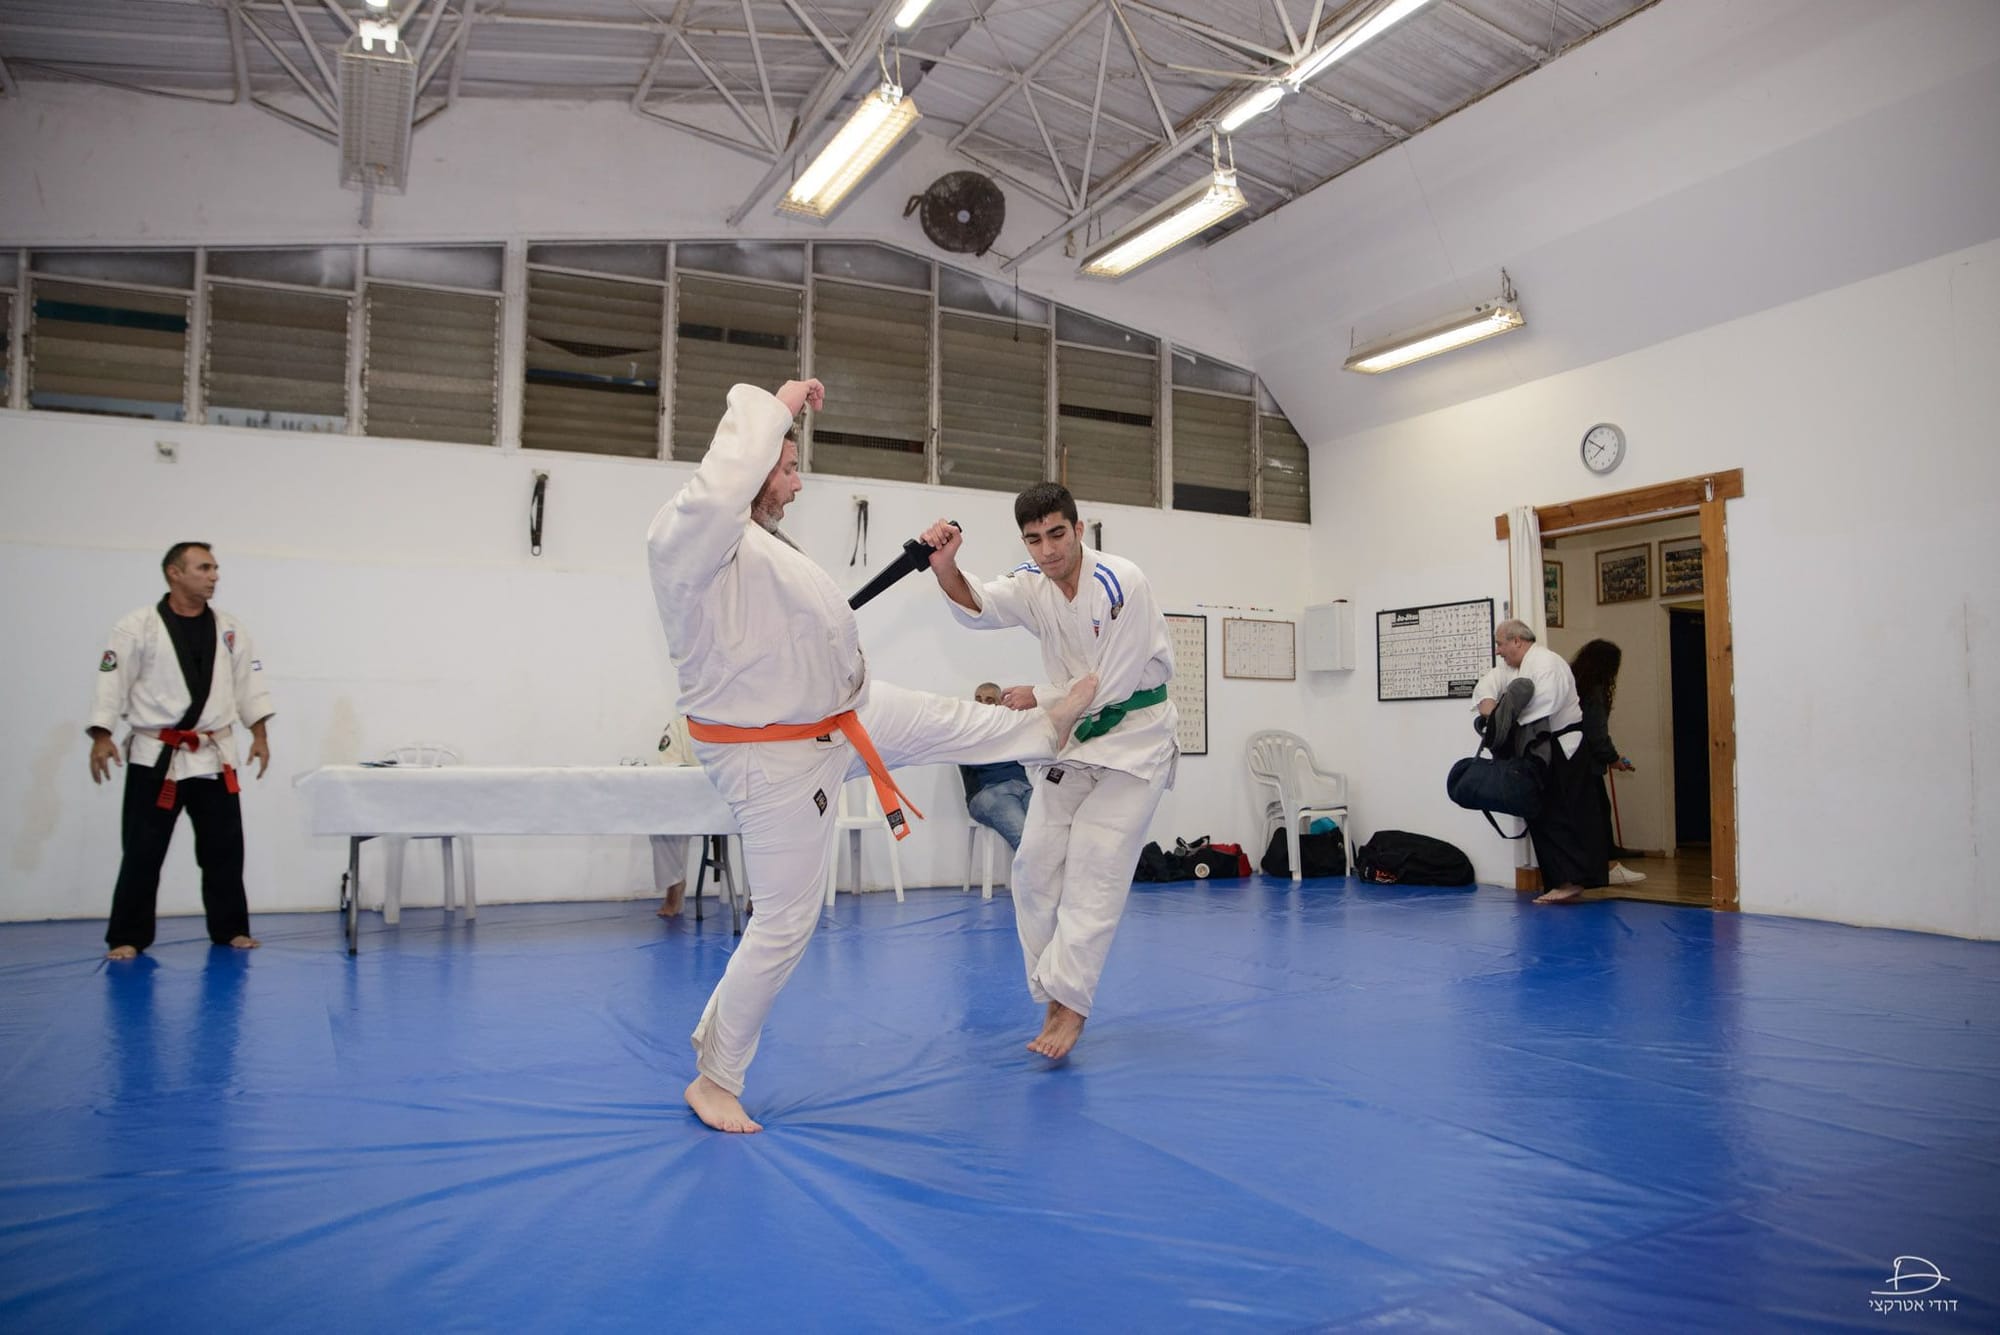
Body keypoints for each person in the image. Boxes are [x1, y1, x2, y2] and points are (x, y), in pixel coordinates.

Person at [646, 378, 1096, 1134]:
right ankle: (714, 1077)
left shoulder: (754, 543)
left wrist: (920, 557)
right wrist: (782, 400)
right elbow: (722, 482)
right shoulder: (686, 537)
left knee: (946, 719)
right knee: (784, 923)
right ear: (752, 462)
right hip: (775, 762)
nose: (797, 484)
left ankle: (1046, 726)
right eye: (789, 468)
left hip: (840, 716)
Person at [920, 483, 1177, 1062]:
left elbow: (1107, 687)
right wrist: (945, 566)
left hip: (1134, 741)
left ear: (1078, 529)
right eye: (1034, 539)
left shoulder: (1121, 583)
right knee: (1033, 866)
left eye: (1057, 534)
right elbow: (981, 606)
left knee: (1093, 868)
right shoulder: (1033, 584)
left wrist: (1039, 696)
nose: (1048, 550)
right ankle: (1053, 989)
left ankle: (1071, 1004)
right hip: (1076, 739)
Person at [88, 542, 273, 959]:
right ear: (175, 573)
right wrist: (102, 734)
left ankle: (231, 929)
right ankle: (127, 935)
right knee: (143, 850)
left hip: (213, 754)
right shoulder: (137, 627)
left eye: (215, 568)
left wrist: (259, 734)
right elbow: (111, 682)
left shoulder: (230, 628)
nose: (214, 576)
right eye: (204, 568)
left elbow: (250, 685)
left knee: (224, 849)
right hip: (157, 755)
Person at [1474, 619, 1604, 903]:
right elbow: (1488, 684)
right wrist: (1491, 709)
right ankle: (1561, 880)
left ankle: (1571, 881)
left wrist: (1503, 717)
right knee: (1540, 810)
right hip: (1538, 747)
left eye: (1500, 644)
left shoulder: (1547, 663)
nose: (1498, 650)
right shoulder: (1514, 667)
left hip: (1561, 747)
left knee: (1561, 812)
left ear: (1517, 641)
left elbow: (1541, 707)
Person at [1570, 639, 1646, 886]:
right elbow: (1596, 733)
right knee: (1598, 816)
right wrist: (1612, 758)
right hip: (1586, 765)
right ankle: (1606, 868)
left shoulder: (1574, 685)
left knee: (1584, 816)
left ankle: (1595, 866)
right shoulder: (1594, 692)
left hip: (1569, 762)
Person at [960, 683, 1033, 852]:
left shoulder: (1011, 727)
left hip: (1023, 787)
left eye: (989, 700)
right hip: (989, 791)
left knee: (1051, 832)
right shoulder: (965, 730)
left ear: (1000, 704)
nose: (983, 705)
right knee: (1025, 841)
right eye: (978, 700)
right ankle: (1039, 869)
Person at [649, 714, 696, 917]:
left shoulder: (736, 721)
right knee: (661, 821)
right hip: (693, 798)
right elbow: (669, 767)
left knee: (762, 818)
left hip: (733, 796)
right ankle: (674, 884)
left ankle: (759, 892)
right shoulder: (679, 726)